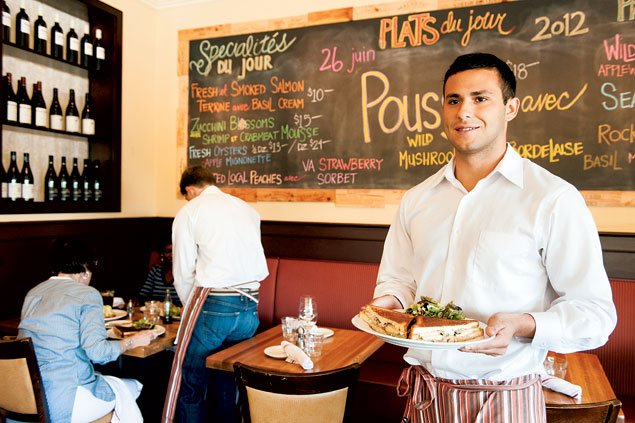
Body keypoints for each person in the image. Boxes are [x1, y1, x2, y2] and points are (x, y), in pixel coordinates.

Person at [373, 53, 617, 422]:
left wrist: (523, 325)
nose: (464, 112)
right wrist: (387, 304)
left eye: (480, 98)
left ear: (510, 108)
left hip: (505, 399)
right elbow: (400, 281)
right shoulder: (416, 200)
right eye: (454, 100)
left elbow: (594, 313)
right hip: (424, 396)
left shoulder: (553, 199)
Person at [162, 166, 268, 423]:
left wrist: (191, 309)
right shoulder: (247, 209)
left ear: (189, 190)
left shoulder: (190, 211)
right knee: (226, 382)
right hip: (250, 305)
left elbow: (182, 271)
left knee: (190, 382)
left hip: (214, 303)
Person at [17, 238, 156, 423]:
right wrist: (132, 341)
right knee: (133, 387)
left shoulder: (34, 292)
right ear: (85, 269)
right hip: (62, 402)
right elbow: (98, 353)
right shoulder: (87, 294)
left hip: (24, 399)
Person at [139, 242, 182, 306]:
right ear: (162, 254)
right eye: (168, 251)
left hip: (178, 311)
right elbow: (143, 295)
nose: (172, 255)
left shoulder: (184, 273)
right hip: (156, 310)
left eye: (175, 251)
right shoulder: (155, 271)